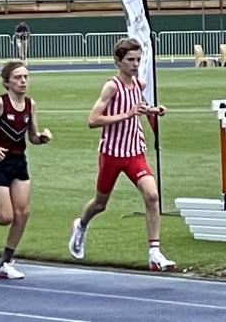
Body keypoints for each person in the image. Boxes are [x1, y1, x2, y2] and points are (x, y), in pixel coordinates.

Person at [67, 37, 175, 272]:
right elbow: (93, 120)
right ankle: (81, 225)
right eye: (130, 60)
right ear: (118, 61)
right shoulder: (111, 86)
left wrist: (155, 110)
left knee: (152, 196)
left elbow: (140, 106)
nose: (135, 65)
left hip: (135, 151)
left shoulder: (140, 84)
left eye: (138, 59)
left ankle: (154, 252)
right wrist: (126, 115)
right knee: (99, 204)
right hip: (112, 154)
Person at [0, 60, 52, 279]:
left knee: (23, 213)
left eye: (26, 76)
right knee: (4, 218)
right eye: (18, 77)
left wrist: (42, 138)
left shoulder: (29, 105)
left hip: (19, 162)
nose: (23, 81)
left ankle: (5, 262)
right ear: (7, 82)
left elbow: (32, 137)